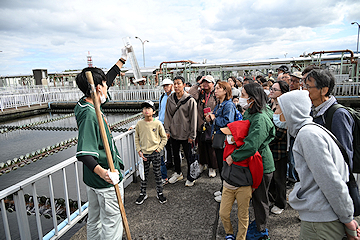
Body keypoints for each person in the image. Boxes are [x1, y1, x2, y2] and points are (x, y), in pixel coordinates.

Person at [277, 90, 360, 240]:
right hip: (324, 218)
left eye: (278, 108)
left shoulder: (307, 135)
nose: (275, 113)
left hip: (321, 222)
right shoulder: (314, 130)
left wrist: (348, 219)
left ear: (291, 111)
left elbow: (330, 180)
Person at [74, 48, 128, 240]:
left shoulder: (86, 103)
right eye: (104, 85)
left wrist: (122, 60)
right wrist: (105, 174)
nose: (107, 87)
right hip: (104, 179)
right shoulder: (90, 114)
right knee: (112, 223)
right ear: (98, 88)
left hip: (92, 180)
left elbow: (108, 79)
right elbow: (84, 153)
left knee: (95, 221)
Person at [230, 83, 275, 240]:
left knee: (261, 199)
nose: (240, 98)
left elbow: (251, 145)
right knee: (256, 197)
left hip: (261, 163)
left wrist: (233, 156)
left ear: (253, 99)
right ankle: (258, 225)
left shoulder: (261, 118)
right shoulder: (252, 111)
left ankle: (261, 230)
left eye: (243, 95)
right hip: (254, 161)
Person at [219, 120, 263, 240]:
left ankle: (240, 238)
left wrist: (254, 186)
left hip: (243, 187)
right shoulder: (227, 146)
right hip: (228, 185)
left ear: (238, 136)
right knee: (223, 213)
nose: (227, 137)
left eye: (230, 134)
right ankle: (229, 233)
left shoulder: (250, 153)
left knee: (243, 215)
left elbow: (257, 171)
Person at [303, 69, 354, 169]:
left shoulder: (338, 114)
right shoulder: (313, 110)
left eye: (308, 87)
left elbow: (344, 153)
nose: (304, 90)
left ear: (324, 90)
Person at [205, 81, 237, 202]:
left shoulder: (228, 105)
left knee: (225, 166)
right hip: (219, 137)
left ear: (225, 91)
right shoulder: (220, 104)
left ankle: (227, 193)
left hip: (225, 139)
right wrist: (210, 118)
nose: (216, 90)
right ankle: (224, 188)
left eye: (219, 88)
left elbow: (228, 122)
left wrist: (214, 118)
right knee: (221, 165)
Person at [164, 76, 198, 186]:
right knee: (175, 154)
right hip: (174, 132)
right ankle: (178, 173)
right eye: (175, 84)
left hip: (186, 133)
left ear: (184, 85)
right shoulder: (170, 99)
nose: (176, 86)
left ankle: (191, 176)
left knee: (189, 156)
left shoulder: (190, 100)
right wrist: (167, 130)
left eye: (179, 83)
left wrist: (192, 135)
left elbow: (194, 119)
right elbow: (167, 116)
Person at [135, 100, 168, 204]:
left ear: (154, 111)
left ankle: (160, 193)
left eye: (149, 108)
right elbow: (136, 138)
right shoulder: (139, 124)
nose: (146, 110)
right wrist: (139, 151)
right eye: (144, 108)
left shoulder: (157, 123)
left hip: (155, 152)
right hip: (144, 153)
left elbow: (164, 138)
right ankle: (143, 193)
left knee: (157, 174)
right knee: (143, 175)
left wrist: (159, 149)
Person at [188, 75, 218, 178]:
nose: (205, 84)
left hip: (211, 124)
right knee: (201, 146)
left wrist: (212, 115)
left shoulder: (215, 94)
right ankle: (202, 164)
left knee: (211, 148)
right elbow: (190, 93)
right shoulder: (200, 94)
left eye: (208, 82)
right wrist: (197, 83)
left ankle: (212, 167)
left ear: (213, 84)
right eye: (204, 82)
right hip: (200, 123)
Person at [268, 81, 289, 215]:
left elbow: (281, 133)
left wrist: (266, 140)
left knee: (279, 178)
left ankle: (280, 202)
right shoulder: (270, 105)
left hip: (279, 149)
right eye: (271, 88)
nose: (271, 91)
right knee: (270, 177)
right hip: (269, 147)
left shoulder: (286, 107)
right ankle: (272, 199)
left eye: (275, 89)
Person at [158, 78, 175, 183]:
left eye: (167, 85)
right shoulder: (162, 97)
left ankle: (175, 164)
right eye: (164, 86)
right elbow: (160, 110)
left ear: (171, 85)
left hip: (172, 124)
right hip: (162, 124)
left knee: (174, 144)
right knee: (166, 144)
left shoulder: (174, 96)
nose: (165, 87)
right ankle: (169, 162)